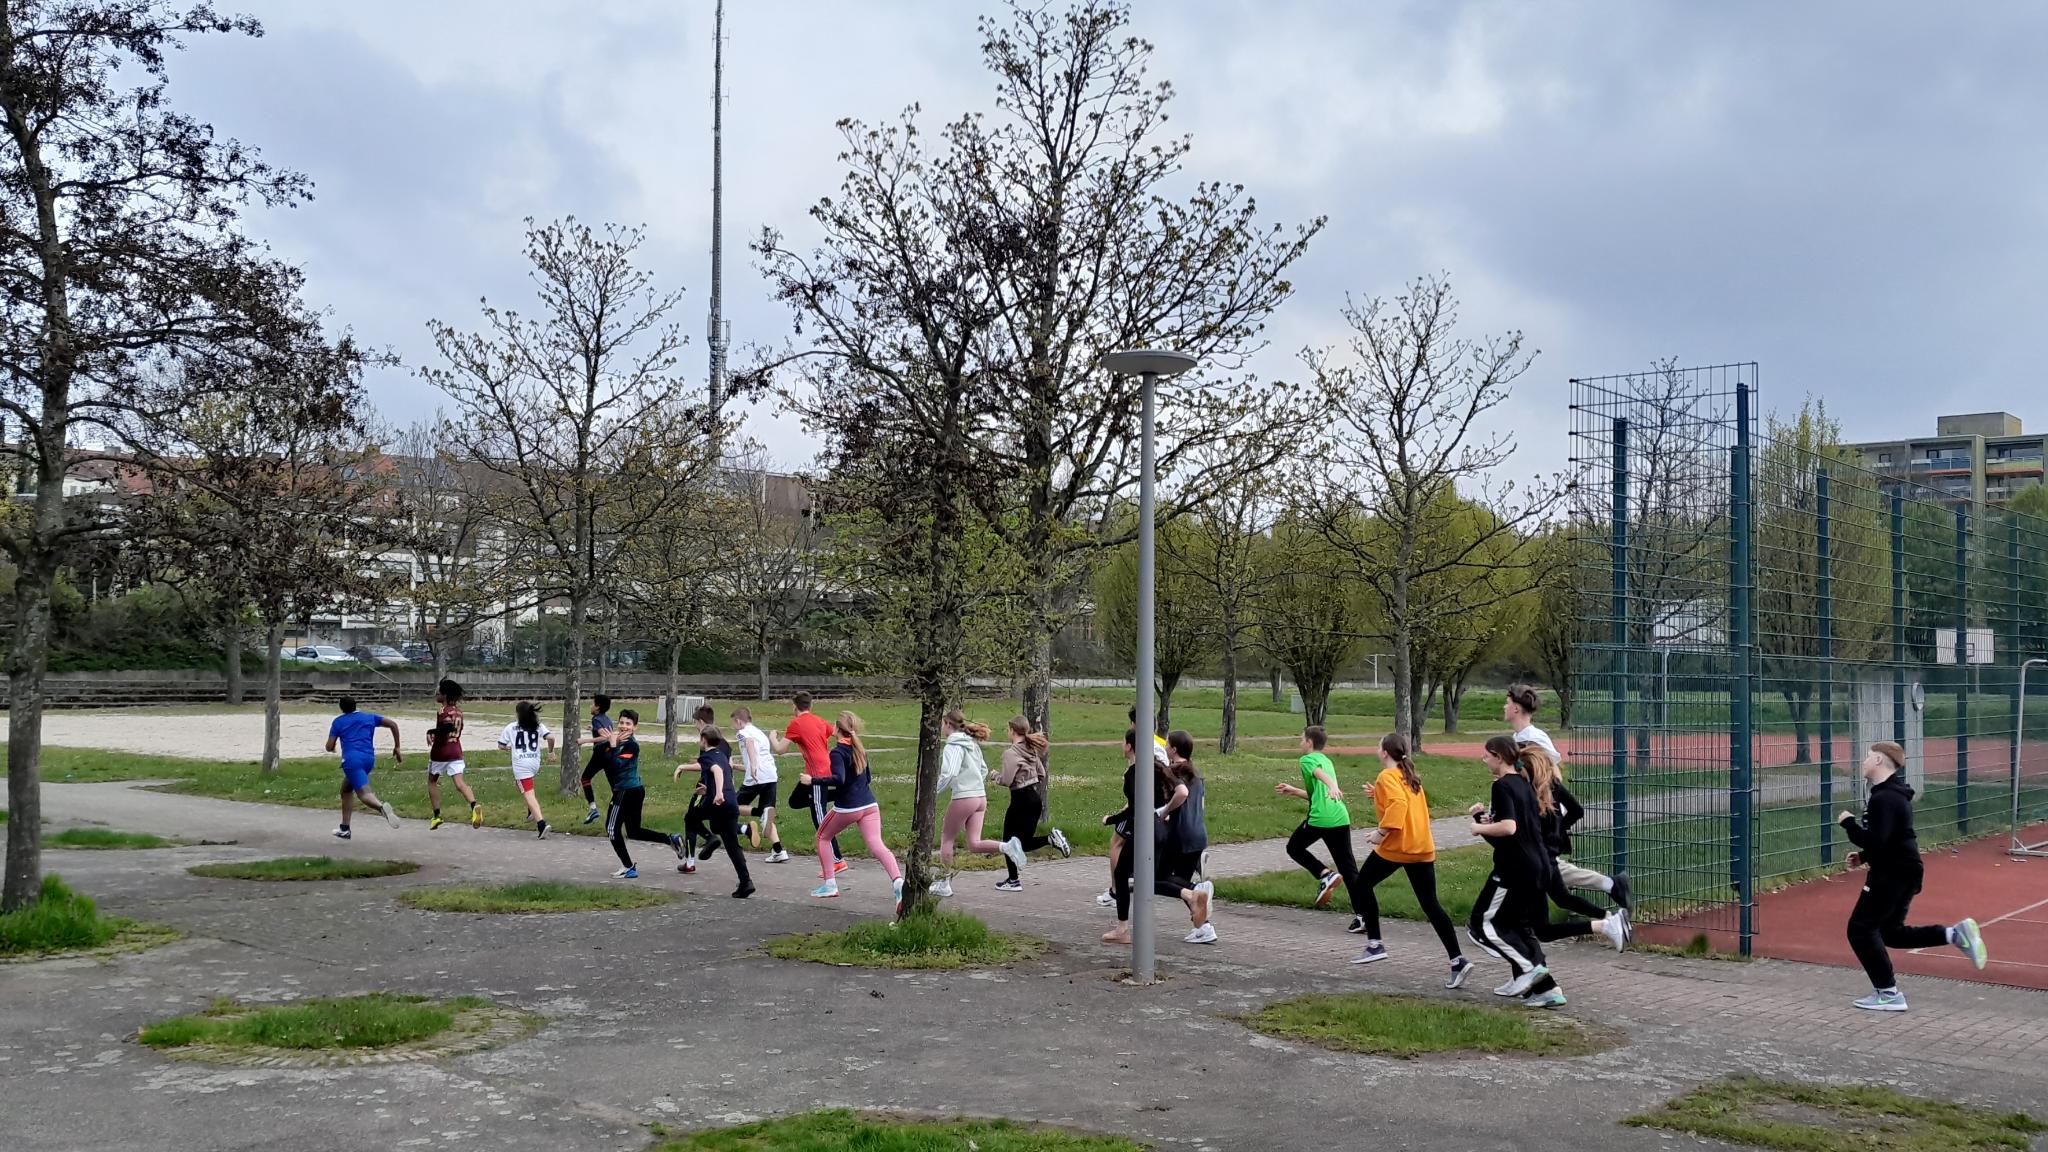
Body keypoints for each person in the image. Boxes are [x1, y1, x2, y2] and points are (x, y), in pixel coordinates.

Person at [1838, 741, 1988, 1011]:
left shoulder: (1884, 798)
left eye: (1868, 757)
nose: (1863, 761)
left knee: (1860, 929)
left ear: (1880, 762)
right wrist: (1864, 857)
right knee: (1890, 933)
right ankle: (1955, 935)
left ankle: (1888, 993)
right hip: (1904, 870)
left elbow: (1877, 840)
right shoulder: (1889, 795)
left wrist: (1848, 823)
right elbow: (1891, 838)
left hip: (1893, 873)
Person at [1349, 733, 1470, 986]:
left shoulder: (1387, 775)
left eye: (1377, 744)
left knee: (1362, 885)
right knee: (1431, 905)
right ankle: (1458, 960)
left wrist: (1380, 833)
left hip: (1398, 848)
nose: (1376, 748)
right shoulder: (1408, 776)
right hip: (1422, 848)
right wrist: (1378, 795)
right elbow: (1402, 800)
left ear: (1384, 752)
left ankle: (1375, 944)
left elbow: (1399, 806)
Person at [1507, 685, 1631, 913]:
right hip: (1537, 814)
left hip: (1546, 813)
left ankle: (1607, 906)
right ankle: (1610, 888)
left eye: (1507, 703)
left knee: (1538, 866)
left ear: (1516, 708)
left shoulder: (1533, 738)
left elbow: (1553, 773)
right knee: (1542, 869)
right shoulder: (1519, 737)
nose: (1504, 707)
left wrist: (1553, 824)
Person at [1467, 736, 1565, 1008]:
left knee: (1481, 925)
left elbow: (1508, 828)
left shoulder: (1501, 785)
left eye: (1486, 755)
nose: (1483, 759)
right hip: (1540, 866)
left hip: (1515, 869)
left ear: (1499, 757)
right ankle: (1547, 990)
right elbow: (1512, 832)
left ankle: (1528, 969)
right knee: (1517, 927)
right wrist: (1485, 821)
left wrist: (1478, 828)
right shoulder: (1523, 784)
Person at [1101, 728, 1212, 946]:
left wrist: (1111, 819)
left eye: (1123, 742)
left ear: (1130, 747)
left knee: (1127, 875)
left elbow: (1134, 809)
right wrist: (1164, 811)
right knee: (1149, 878)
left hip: (1146, 829)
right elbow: (1182, 791)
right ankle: (1195, 901)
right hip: (1161, 830)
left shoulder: (1135, 773)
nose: (1122, 746)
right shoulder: (1160, 768)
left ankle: (1123, 929)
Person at [1519, 743, 1629, 954]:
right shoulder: (1552, 786)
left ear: (1528, 769)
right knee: (1561, 900)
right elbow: (1576, 810)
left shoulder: (1529, 794)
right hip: (1548, 856)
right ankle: (1609, 919)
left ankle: (1608, 920)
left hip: (1538, 861)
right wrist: (1559, 830)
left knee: (1539, 927)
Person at [810, 711, 904, 910]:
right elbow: (867, 778)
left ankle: (829, 884)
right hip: (869, 805)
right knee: (877, 845)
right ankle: (898, 882)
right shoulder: (859, 748)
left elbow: (839, 779)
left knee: (822, 837)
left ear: (836, 729)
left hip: (848, 807)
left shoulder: (837, 752)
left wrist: (813, 780)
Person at [931, 710, 1027, 897]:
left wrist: (933, 792)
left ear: (948, 724)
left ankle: (944, 882)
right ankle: (1006, 847)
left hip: (964, 797)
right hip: (980, 797)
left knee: (947, 839)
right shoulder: (971, 743)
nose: (942, 728)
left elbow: (950, 773)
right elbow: (982, 769)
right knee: (974, 843)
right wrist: (975, 784)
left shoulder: (953, 745)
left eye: (943, 724)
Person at [1275, 725, 1366, 916]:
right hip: (1339, 817)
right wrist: (1294, 791)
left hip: (1320, 819)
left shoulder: (1306, 759)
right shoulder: (1326, 760)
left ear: (1309, 742)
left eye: (1302, 739)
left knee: (1294, 848)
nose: (1300, 743)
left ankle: (1325, 874)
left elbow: (1319, 775)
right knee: (1349, 870)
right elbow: (1318, 794)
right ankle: (1364, 916)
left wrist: (1332, 784)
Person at [1098, 705, 1174, 907]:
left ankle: (1116, 890)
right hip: (1152, 808)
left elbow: (1148, 780)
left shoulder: (1146, 747)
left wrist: (1117, 815)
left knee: (1117, 844)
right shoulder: (1157, 743)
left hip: (1146, 811)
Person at [602, 708, 684, 879]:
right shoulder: (619, 741)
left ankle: (628, 867)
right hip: (631, 790)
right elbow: (606, 758)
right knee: (634, 831)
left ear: (635, 727)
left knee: (611, 828)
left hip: (628, 790)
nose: (624, 726)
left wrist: (612, 745)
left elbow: (616, 765)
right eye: (622, 722)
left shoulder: (631, 745)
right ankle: (671, 840)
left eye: (628, 724)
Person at [676, 724, 755, 899]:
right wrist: (710, 790)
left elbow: (717, 771)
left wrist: (717, 793)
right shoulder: (722, 756)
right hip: (731, 802)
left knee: (691, 818)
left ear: (704, 740)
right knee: (731, 844)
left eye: (700, 739)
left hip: (718, 802)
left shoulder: (707, 756)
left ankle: (710, 839)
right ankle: (746, 882)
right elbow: (723, 773)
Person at [992, 716, 1069, 892]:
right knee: (1023, 842)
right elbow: (1041, 773)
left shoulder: (1011, 753)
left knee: (1008, 841)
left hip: (1020, 800)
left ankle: (1013, 881)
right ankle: (1051, 839)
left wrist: (995, 775)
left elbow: (1007, 780)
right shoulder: (1031, 749)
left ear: (1012, 730)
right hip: (1034, 799)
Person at [774, 692, 844, 873]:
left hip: (817, 776)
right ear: (810, 706)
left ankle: (838, 860)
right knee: (795, 801)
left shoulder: (796, 723)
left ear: (794, 707)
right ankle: (837, 793)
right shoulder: (820, 721)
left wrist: (772, 737)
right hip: (817, 772)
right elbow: (835, 733)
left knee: (820, 821)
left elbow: (780, 750)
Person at [1162, 730, 1215, 944]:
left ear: (1174, 749)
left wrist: (1165, 812)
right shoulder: (1196, 773)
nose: (1165, 746)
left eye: (1167, 744)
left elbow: (1179, 795)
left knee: (1157, 878)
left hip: (1179, 834)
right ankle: (1205, 928)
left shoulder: (1171, 773)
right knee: (1180, 883)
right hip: (1198, 833)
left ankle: (1198, 889)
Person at [325, 695, 401, 838]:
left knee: (364, 793)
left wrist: (333, 745)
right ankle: (345, 828)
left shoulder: (338, 722)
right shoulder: (369, 717)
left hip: (352, 760)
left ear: (341, 708)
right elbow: (393, 724)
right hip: (368, 759)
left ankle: (381, 808)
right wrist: (397, 746)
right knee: (346, 790)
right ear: (355, 705)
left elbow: (329, 746)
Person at [731, 706, 786, 862]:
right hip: (770, 775)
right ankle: (778, 851)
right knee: (768, 814)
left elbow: (749, 745)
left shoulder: (743, 733)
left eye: (733, 723)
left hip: (756, 778)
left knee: (731, 807)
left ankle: (758, 814)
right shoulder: (759, 733)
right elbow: (758, 757)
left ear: (738, 721)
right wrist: (737, 766)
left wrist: (753, 765)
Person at [426, 678, 481, 830]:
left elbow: (447, 727)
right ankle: (474, 805)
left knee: (432, 781)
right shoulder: (459, 712)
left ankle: (437, 816)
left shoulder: (443, 711)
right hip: (456, 750)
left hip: (441, 751)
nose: (436, 693)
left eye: (439, 691)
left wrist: (431, 732)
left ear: (444, 695)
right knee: (460, 783)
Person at [496, 700, 554, 838]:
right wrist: (551, 752)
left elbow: (501, 745)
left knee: (528, 793)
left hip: (521, 764)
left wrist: (508, 747)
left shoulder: (511, 727)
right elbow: (550, 737)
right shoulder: (537, 726)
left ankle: (541, 824)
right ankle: (530, 811)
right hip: (534, 762)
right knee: (522, 787)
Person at [577, 694, 617, 824]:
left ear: (598, 707)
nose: (590, 706)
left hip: (600, 753)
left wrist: (585, 740)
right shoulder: (607, 719)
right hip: (611, 753)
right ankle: (622, 812)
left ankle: (593, 809)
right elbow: (607, 732)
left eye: (592, 703)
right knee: (615, 786)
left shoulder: (596, 719)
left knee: (585, 779)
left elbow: (604, 737)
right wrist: (593, 729)